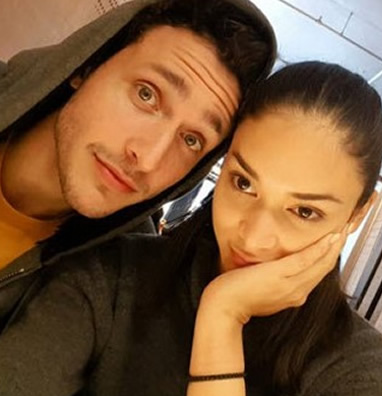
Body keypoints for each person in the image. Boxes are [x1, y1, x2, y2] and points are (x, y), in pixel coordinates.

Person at [0, 61, 382, 396]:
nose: (254, 237)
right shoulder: (110, 277)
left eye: (305, 211)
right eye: (243, 183)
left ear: (357, 215)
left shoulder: (354, 368)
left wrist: (223, 318)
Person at [0, 0, 276, 321]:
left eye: (191, 140)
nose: (147, 159)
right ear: (87, 66)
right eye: (147, 95)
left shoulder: (118, 287)